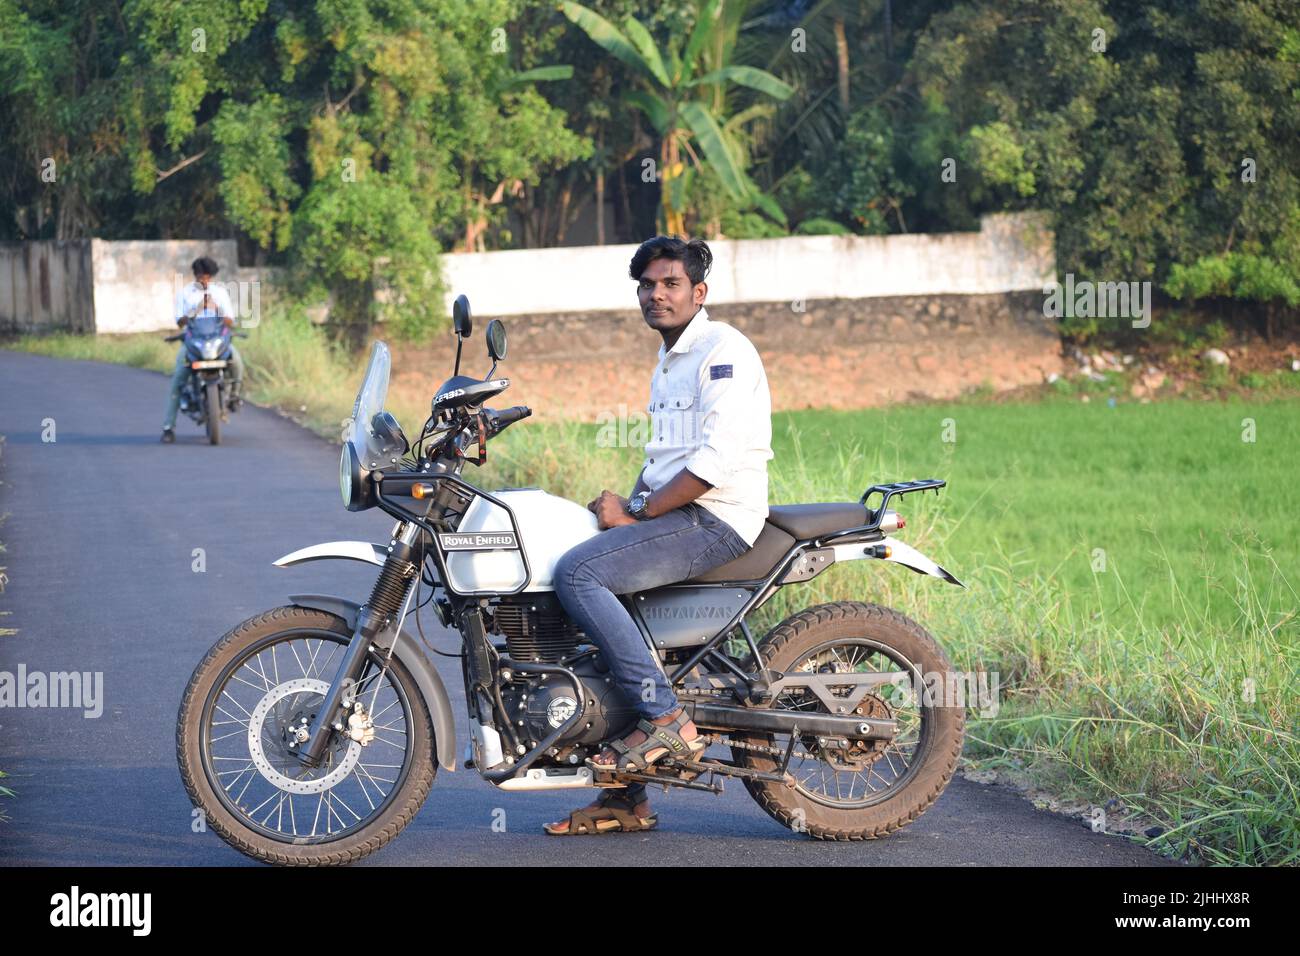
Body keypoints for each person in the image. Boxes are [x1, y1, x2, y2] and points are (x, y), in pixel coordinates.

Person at [544, 236, 774, 835]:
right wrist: (627, 504)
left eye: (670, 284)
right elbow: (668, 460)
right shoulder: (670, 358)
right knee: (579, 582)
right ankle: (625, 799)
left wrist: (639, 518)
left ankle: (667, 717)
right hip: (679, 513)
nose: (656, 294)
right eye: (647, 285)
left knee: (579, 573)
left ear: (699, 293)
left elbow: (713, 462)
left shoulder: (723, 350)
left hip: (716, 519)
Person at [160, 256, 245, 443]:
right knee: (179, 379)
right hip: (194, 343)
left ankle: (234, 396)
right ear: (195, 276)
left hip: (217, 342)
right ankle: (168, 427)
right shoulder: (185, 294)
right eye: (201, 278)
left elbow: (230, 321)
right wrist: (197, 309)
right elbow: (180, 322)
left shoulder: (220, 293)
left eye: (207, 278)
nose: (204, 281)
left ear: (212, 277)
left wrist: (218, 310)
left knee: (237, 361)